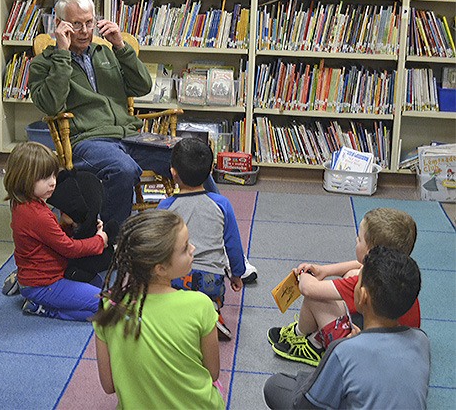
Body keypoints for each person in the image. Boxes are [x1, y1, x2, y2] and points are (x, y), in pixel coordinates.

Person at [28, 0, 218, 226]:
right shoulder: (44, 64)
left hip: (131, 136)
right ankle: (113, 243)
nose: (85, 31)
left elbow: (142, 86)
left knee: (192, 155)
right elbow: (51, 104)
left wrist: (120, 45)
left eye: (89, 23)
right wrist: (62, 55)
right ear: (59, 24)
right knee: (123, 169)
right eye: (76, 25)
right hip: (89, 141)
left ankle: (218, 225)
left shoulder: (105, 52)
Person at [263, 246, 430, 409]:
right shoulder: (422, 340)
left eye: (358, 281)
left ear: (363, 295)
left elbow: (305, 406)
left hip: (334, 375)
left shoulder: (344, 350)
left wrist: (346, 348)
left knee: (275, 385)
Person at [91, 210, 224, 409]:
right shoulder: (200, 305)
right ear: (159, 268)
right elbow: (213, 373)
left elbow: (109, 385)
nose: (193, 249)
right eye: (185, 247)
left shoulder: (110, 307)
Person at [267, 207, 419, 366]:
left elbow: (309, 289)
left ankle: (306, 341)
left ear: (370, 252)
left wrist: (303, 275)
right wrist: (325, 270)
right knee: (351, 272)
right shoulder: (399, 272)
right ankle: (313, 334)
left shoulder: (368, 281)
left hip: (367, 355)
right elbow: (358, 265)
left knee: (316, 300)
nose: (356, 240)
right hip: (393, 345)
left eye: (359, 239)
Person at [3, 142, 108, 321]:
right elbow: (70, 249)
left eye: (53, 175)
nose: (53, 183)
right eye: (44, 178)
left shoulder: (23, 204)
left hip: (43, 276)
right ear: (23, 179)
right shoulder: (37, 215)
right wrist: (100, 240)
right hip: (45, 284)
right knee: (107, 308)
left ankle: (27, 287)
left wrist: (67, 226)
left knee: (100, 286)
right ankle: (43, 308)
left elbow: (44, 238)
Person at [157, 138, 247, 339]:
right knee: (209, 296)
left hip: (176, 278)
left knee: (166, 292)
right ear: (211, 171)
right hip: (211, 280)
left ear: (173, 173)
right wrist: (237, 274)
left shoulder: (165, 207)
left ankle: (176, 316)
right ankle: (211, 311)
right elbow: (233, 244)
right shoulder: (222, 204)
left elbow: (155, 247)